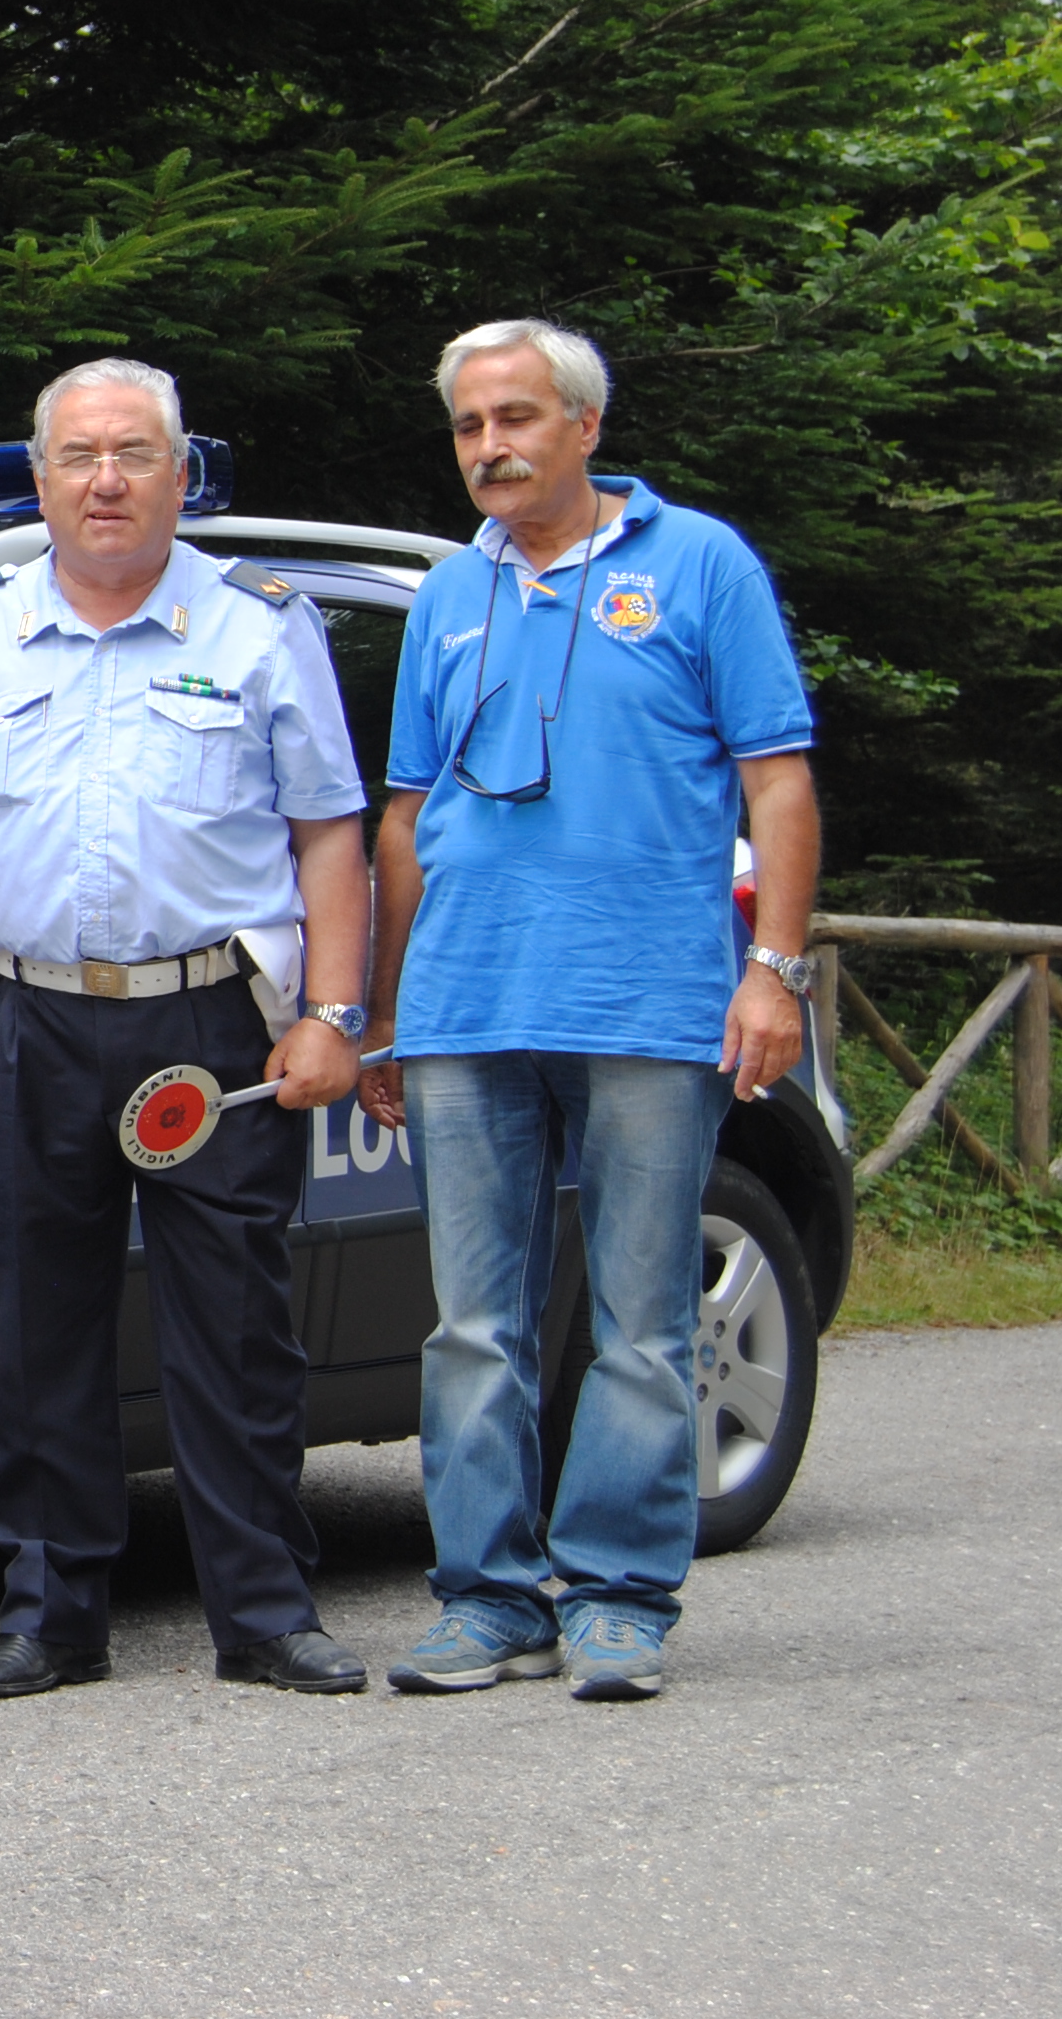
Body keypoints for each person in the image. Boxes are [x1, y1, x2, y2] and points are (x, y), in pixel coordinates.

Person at [0, 358, 376, 1698]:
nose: (106, 481)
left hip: (210, 1024)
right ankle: (51, 1614)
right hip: (18, 1015)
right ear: (40, 480)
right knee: (37, 1328)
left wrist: (333, 1014)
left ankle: (264, 1613)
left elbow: (330, 836)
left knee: (237, 1326)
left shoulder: (261, 628)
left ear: (181, 475)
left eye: (135, 454)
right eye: (80, 457)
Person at [358, 321, 818, 1704]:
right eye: (468, 426)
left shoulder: (700, 564)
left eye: (516, 418)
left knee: (643, 1320)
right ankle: (488, 1601)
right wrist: (385, 1008)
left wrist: (775, 970)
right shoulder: (448, 592)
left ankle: (618, 1598)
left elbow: (778, 781)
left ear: (586, 426)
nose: (490, 446)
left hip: (648, 1002)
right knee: (471, 1327)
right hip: (465, 1006)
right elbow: (404, 819)